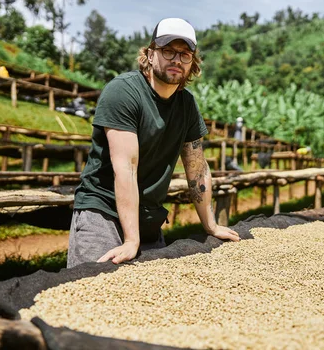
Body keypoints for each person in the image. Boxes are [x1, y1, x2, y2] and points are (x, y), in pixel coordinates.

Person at [67, 18, 240, 268]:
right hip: (104, 212)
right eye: (168, 51)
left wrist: (211, 226)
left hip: (149, 218)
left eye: (185, 54)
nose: (176, 60)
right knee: (91, 291)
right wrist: (130, 241)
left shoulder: (187, 105)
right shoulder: (124, 92)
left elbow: (197, 170)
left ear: (192, 63)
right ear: (150, 55)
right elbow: (126, 167)